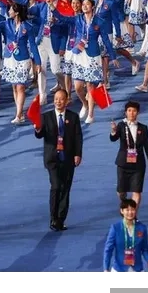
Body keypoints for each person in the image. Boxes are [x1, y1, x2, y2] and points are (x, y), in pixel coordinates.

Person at [33, 88, 83, 231]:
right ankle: (53, 218)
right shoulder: (46, 117)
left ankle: (61, 219)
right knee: (56, 186)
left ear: (66, 101)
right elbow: (40, 134)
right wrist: (37, 129)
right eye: (56, 99)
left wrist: (78, 154)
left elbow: (78, 137)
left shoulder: (73, 117)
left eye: (61, 99)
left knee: (65, 188)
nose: (58, 101)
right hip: (52, 158)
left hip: (68, 157)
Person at [109, 101, 148, 208]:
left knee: (137, 191)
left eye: (134, 111)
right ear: (125, 112)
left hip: (138, 164)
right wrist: (113, 131)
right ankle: (125, 202)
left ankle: (134, 214)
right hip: (123, 163)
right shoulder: (121, 125)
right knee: (121, 192)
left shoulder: (143, 128)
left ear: (138, 113)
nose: (131, 113)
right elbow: (113, 139)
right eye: (129, 110)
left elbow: (147, 146)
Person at [103, 198, 148, 272]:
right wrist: (106, 268)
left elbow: (145, 248)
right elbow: (108, 249)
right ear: (122, 211)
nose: (130, 212)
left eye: (132, 209)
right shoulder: (115, 228)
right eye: (127, 210)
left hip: (137, 269)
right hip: (119, 269)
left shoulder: (142, 228)